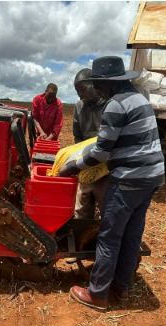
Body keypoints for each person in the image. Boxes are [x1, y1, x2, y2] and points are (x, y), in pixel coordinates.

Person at [59, 56, 165, 311]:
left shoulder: (116, 105)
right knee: (132, 234)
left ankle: (97, 295)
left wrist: (71, 167)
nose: (97, 89)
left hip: (130, 178)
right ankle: (121, 287)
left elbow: (101, 153)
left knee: (109, 236)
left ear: (107, 84)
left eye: (98, 84)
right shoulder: (140, 97)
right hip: (152, 176)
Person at [72, 68, 108, 220]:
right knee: (81, 212)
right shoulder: (79, 107)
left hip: (106, 168)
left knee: (107, 209)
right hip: (86, 166)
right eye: (77, 91)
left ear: (94, 85)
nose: (80, 94)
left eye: (83, 89)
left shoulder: (109, 105)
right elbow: (78, 137)